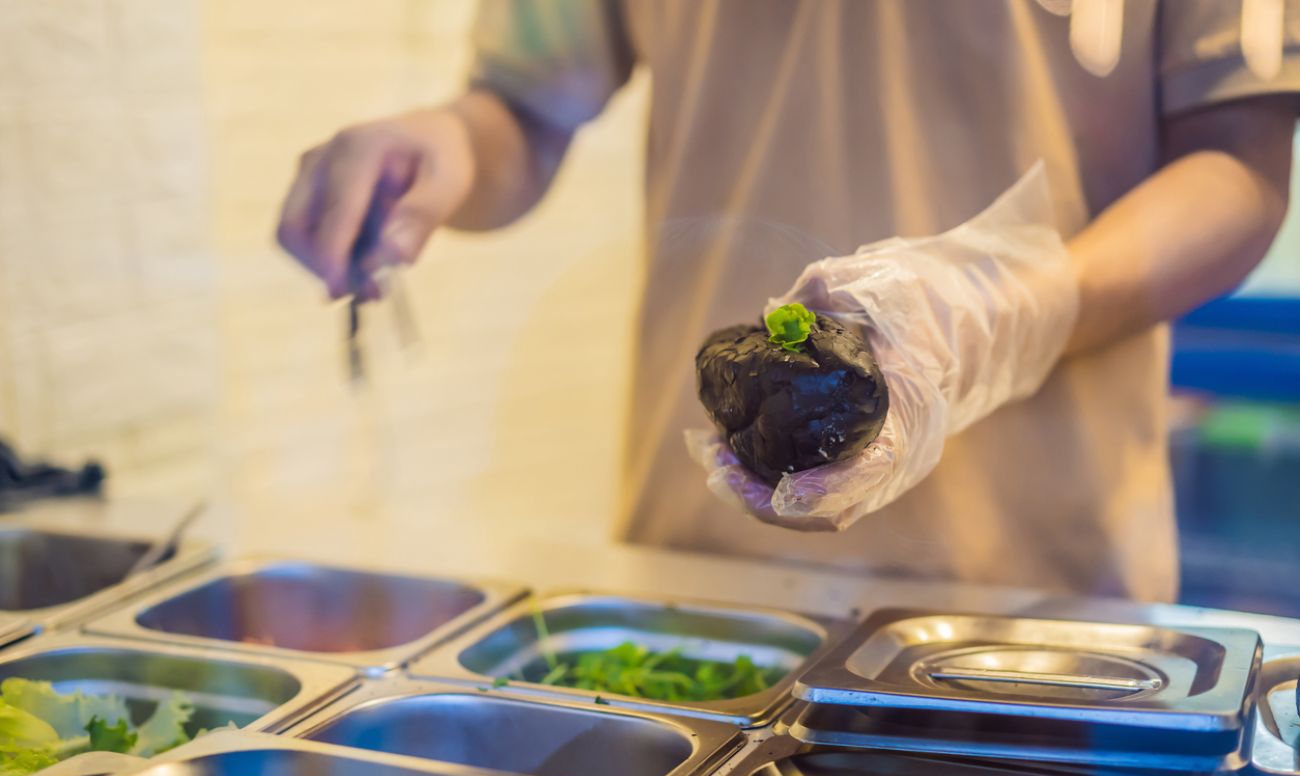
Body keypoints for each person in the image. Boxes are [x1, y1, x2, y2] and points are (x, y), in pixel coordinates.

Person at [277, 1, 1299, 602]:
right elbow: (523, 105)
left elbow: (1239, 168)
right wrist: (449, 144)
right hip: (707, 572)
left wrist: (1010, 311)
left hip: (1038, 586)